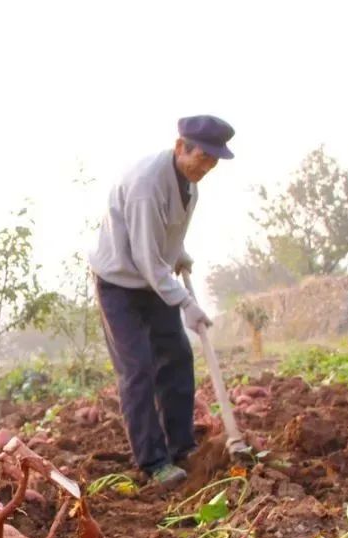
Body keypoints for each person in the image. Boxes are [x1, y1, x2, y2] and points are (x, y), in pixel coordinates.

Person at [87, 115, 235, 489]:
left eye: (214, 161)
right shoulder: (145, 185)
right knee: (138, 369)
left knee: (178, 358)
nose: (208, 166)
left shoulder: (190, 184)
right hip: (120, 283)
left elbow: (165, 237)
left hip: (154, 279)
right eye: (203, 157)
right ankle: (153, 463)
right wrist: (186, 303)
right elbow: (147, 259)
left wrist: (179, 252)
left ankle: (181, 446)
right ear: (180, 146)